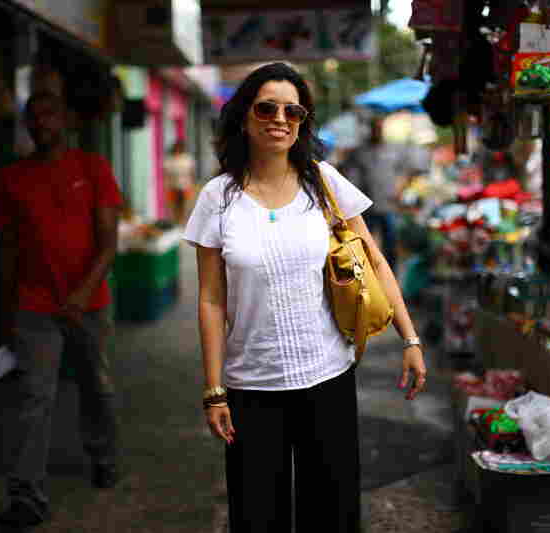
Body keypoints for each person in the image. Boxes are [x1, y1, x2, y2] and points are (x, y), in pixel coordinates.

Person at [183, 62, 427, 533]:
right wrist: (214, 389)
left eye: (293, 110)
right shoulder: (218, 198)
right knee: (257, 516)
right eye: (267, 107)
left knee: (332, 514)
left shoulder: (325, 183)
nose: (280, 118)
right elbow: (211, 299)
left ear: (303, 120)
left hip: (327, 378)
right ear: (244, 116)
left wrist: (410, 339)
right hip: (251, 386)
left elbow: (376, 263)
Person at [0, 90, 123, 527]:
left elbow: (109, 244)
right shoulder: (12, 178)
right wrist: (6, 310)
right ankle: (26, 495)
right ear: (27, 125)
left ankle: (103, 454)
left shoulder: (93, 168)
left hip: (88, 304)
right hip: (34, 306)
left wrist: (82, 295)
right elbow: (8, 250)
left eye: (50, 114)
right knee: (34, 398)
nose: (41, 122)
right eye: (33, 116)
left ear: (66, 119)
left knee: (96, 387)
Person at [341, 117, 431, 268]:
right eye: (374, 128)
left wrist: (400, 188)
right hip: (367, 206)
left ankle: (391, 272)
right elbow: (349, 173)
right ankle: (369, 272)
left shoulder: (394, 149)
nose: (377, 131)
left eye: (379, 128)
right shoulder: (361, 151)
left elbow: (408, 171)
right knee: (365, 241)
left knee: (391, 242)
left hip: (389, 204)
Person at [164, 139, 196, 225]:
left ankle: (183, 222)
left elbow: (192, 172)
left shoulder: (187, 159)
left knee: (185, 205)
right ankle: (176, 222)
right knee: (175, 205)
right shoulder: (169, 159)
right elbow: (166, 173)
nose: (178, 150)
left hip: (185, 185)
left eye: (180, 148)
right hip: (173, 186)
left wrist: (192, 185)